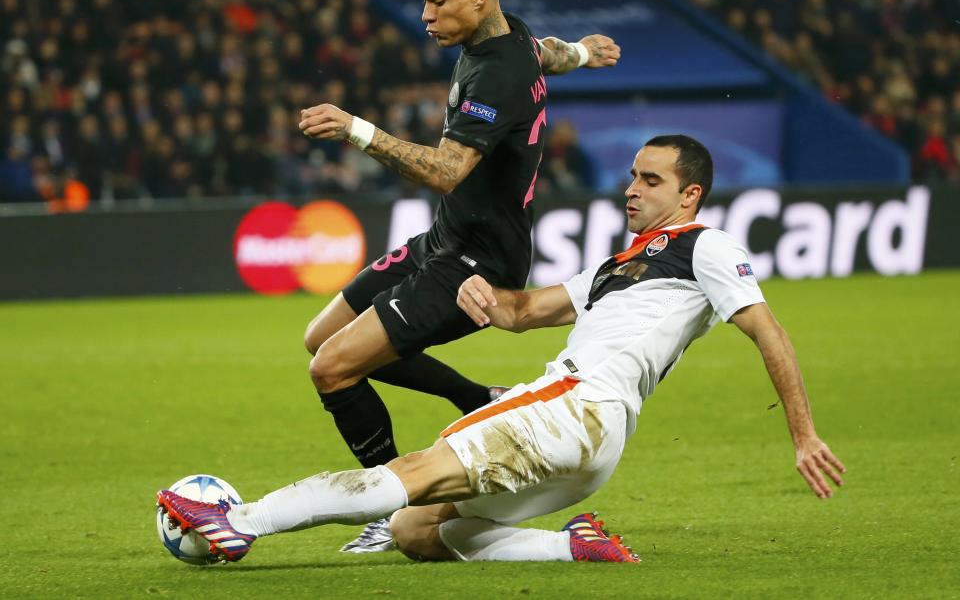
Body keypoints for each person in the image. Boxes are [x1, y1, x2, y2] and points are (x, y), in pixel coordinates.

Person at [157, 134, 846, 565]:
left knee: (417, 471)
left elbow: (767, 329)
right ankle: (570, 548)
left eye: (651, 180)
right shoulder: (619, 265)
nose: (632, 188)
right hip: (592, 447)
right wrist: (487, 300)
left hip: (575, 407)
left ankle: (236, 522)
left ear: (690, 193)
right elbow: (527, 311)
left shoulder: (706, 245)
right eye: (633, 175)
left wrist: (804, 433)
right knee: (416, 531)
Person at [295, 0, 620, 552]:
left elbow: (446, 171)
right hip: (443, 239)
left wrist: (355, 128)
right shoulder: (510, 38)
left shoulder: (496, 71)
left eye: (437, 1)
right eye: (423, 1)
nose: (425, 16)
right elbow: (545, 52)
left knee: (332, 369)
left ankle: (388, 505)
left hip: (478, 262)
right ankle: (474, 397)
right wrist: (581, 50)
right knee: (320, 337)